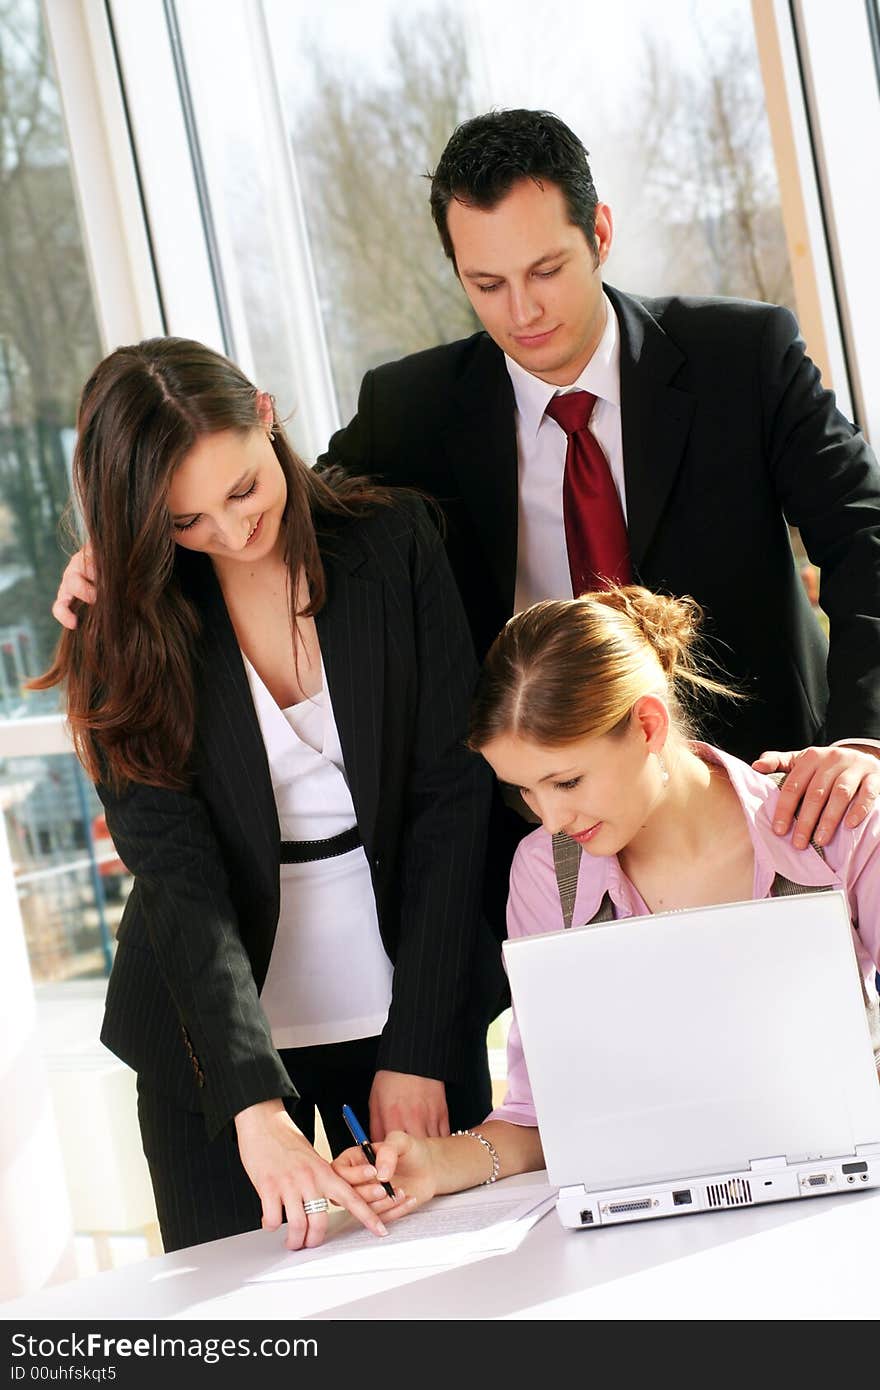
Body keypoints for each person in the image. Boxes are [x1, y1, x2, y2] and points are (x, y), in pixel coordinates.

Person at [52, 110, 880, 913]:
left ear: (599, 232)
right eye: (486, 283)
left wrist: (859, 740)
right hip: (543, 846)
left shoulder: (744, 359)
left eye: (546, 270)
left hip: (769, 806)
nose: (522, 312)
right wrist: (118, 554)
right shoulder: (410, 411)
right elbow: (280, 511)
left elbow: (866, 533)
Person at [32, 337, 498, 1253]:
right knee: (238, 1322)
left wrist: (421, 1041)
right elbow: (177, 878)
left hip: (406, 996)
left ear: (266, 411)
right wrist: (250, 1100)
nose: (234, 531)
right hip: (212, 1035)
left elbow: (454, 799)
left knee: (457, 1287)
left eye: (243, 489)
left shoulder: (395, 544)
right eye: (184, 523)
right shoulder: (119, 628)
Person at [332, 587, 880, 1215]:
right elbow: (540, 1118)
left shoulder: (838, 822)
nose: (553, 816)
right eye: (525, 792)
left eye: (567, 780)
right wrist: (430, 1163)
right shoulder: (545, 872)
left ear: (648, 725)